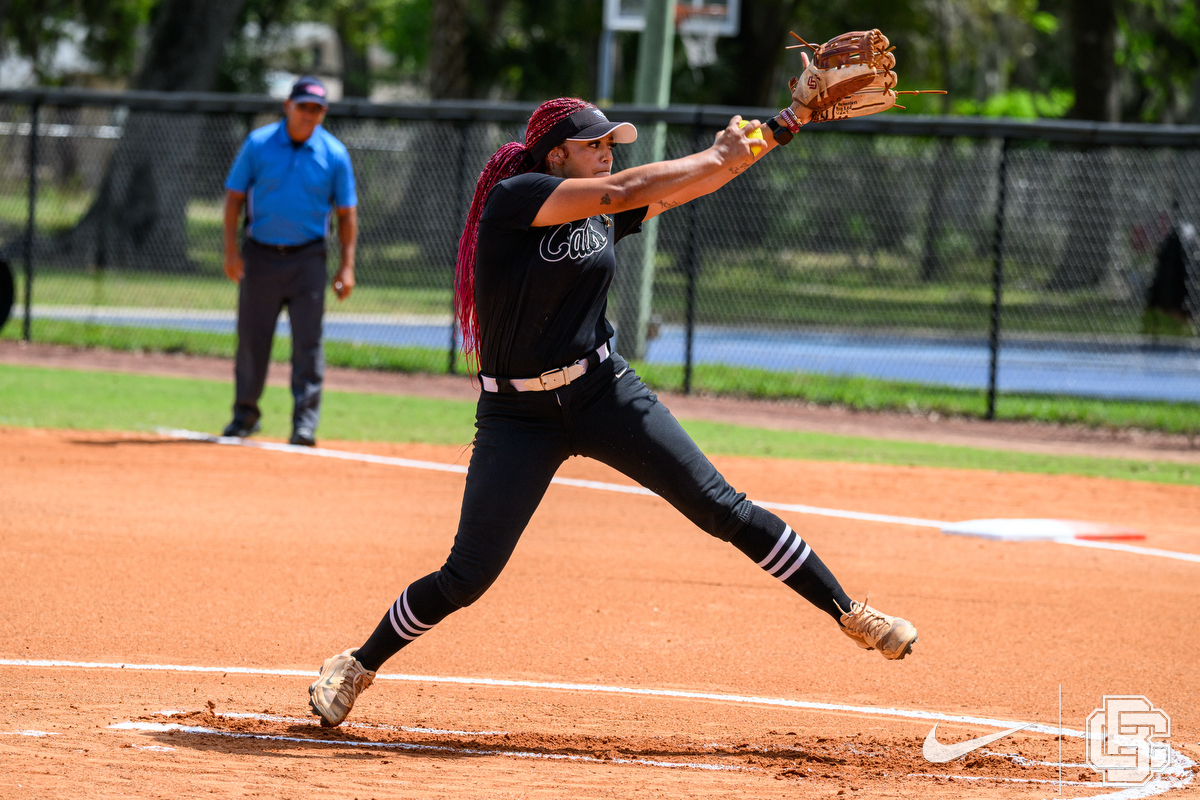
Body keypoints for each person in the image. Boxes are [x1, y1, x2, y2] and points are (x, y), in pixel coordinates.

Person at [308, 94, 919, 728]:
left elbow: (696, 181)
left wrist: (783, 126)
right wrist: (714, 149)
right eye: (595, 145)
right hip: (518, 415)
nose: (608, 153)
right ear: (556, 155)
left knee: (720, 506)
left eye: (610, 146)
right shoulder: (517, 197)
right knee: (468, 575)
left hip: (602, 391)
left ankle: (851, 613)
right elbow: (629, 184)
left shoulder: (605, 211)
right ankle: (357, 663)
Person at [221, 76, 358, 447]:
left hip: (308, 259)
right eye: (303, 107)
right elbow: (233, 198)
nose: (308, 115)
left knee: (308, 345)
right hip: (260, 255)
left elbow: (346, 214)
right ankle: (244, 416)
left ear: (323, 113)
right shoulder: (259, 144)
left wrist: (346, 266)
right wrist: (231, 252)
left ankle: (304, 425)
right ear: (288, 106)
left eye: (316, 109)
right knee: (252, 341)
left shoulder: (334, 153)